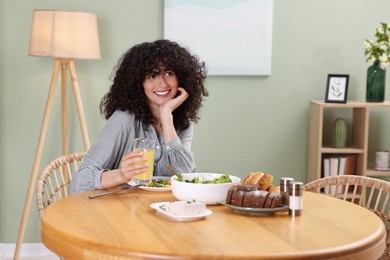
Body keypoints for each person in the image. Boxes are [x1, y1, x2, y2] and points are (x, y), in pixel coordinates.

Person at [71, 39, 208, 194]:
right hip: (118, 212)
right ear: (138, 82)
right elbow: (79, 182)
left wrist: (166, 115)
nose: (162, 83)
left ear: (181, 78)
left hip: (161, 211)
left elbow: (183, 176)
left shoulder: (183, 123)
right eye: (152, 75)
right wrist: (121, 174)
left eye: (169, 73)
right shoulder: (123, 120)